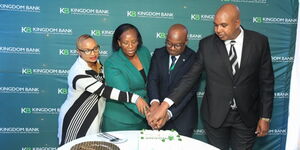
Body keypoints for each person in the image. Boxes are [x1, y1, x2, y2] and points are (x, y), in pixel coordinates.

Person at [148, 4, 274, 150]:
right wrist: (164, 106)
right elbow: (190, 78)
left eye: (223, 25)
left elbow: (267, 82)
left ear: (237, 22)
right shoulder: (207, 45)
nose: (218, 30)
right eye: (215, 25)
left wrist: (265, 117)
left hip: (246, 115)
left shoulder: (259, 42)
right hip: (215, 115)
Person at [57, 34, 149, 145]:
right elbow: (105, 91)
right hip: (76, 119)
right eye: (87, 50)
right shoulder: (78, 73)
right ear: (78, 52)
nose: (93, 53)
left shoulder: (96, 63)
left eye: (95, 48)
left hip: (94, 118)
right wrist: (135, 98)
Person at [147, 24, 199, 137]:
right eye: (169, 43)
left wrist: (168, 113)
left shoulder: (194, 59)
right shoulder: (158, 53)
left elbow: (189, 92)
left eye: (177, 45)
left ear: (186, 42)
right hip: (157, 116)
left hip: (183, 119)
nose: (172, 48)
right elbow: (152, 80)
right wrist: (155, 104)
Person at [101, 23, 151, 131]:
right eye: (125, 43)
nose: (131, 46)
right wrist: (151, 115)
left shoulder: (144, 52)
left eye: (134, 42)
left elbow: (152, 81)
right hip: (120, 121)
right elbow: (124, 94)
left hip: (144, 119)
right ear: (119, 43)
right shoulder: (112, 63)